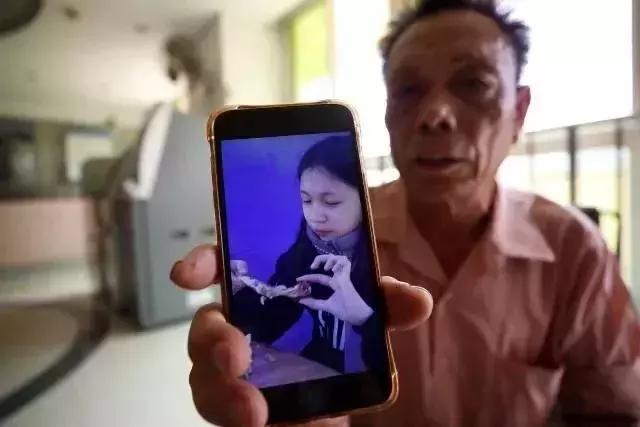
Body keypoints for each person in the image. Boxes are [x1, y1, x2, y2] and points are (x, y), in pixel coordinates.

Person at [171, 0, 640, 426]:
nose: (434, 115)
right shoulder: (329, 234)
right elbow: (271, 322)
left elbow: (613, 411)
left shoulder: (574, 249)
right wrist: (248, 309)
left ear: (518, 113)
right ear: (388, 116)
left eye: (474, 84)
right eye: (409, 90)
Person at [231, 136, 385, 374]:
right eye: (306, 200)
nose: (315, 216)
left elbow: (404, 352)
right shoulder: (301, 257)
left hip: (376, 381)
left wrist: (365, 319)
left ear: (365, 198)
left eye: (331, 202)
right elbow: (268, 323)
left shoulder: (388, 253)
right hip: (320, 372)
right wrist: (240, 292)